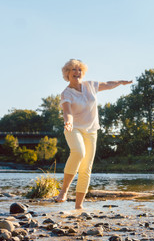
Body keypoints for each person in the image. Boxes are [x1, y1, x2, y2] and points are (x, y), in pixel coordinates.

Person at [56, 59, 132, 209]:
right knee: (78, 152)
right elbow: (67, 112)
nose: (77, 73)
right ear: (67, 73)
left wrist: (121, 82)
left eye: (79, 70)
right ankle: (64, 191)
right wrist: (68, 122)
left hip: (91, 130)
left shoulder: (90, 86)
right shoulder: (66, 93)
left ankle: (78, 206)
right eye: (73, 70)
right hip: (73, 128)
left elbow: (109, 84)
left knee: (86, 168)